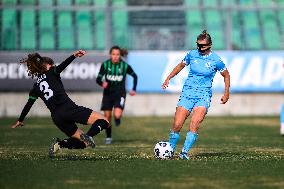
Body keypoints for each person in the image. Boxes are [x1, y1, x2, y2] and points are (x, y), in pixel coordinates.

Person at [11, 50, 110, 158]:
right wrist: (74, 56)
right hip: (68, 108)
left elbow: (28, 104)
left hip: (57, 117)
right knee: (104, 121)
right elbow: (63, 65)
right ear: (48, 65)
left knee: (83, 143)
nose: (54, 66)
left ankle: (60, 144)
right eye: (52, 65)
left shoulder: (35, 87)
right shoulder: (52, 72)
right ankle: (88, 136)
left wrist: (20, 120)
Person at [162, 30, 230, 160]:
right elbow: (180, 66)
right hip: (188, 93)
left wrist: (226, 93)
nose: (200, 48)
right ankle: (170, 151)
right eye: (198, 45)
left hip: (203, 95)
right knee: (177, 125)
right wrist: (168, 78)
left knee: (195, 123)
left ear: (210, 45)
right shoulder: (191, 55)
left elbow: (226, 75)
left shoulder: (216, 60)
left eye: (203, 46)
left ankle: (184, 152)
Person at [96, 46, 138, 144]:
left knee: (117, 114)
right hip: (107, 94)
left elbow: (135, 76)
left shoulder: (124, 66)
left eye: (117, 54)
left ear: (120, 55)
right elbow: (98, 79)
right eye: (113, 54)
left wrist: (134, 89)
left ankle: (117, 118)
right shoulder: (105, 65)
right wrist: (102, 83)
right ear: (110, 54)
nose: (115, 56)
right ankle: (108, 137)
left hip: (120, 93)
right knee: (107, 117)